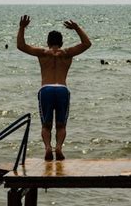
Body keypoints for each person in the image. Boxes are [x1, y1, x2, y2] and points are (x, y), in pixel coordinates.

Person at [17, 15, 91, 161]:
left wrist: (22, 28)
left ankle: (47, 148)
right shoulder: (67, 53)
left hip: (46, 89)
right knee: (61, 124)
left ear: (48, 42)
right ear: (61, 43)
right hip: (62, 89)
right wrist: (76, 28)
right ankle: (58, 148)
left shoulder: (43, 53)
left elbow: (21, 46)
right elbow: (87, 44)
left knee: (46, 124)